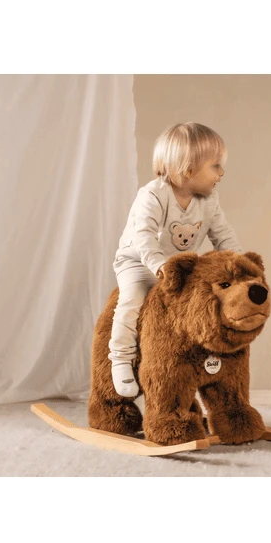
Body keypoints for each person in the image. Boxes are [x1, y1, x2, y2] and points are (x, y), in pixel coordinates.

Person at [109, 122, 241, 396]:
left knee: (203, 304)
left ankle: (195, 362)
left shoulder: (209, 200)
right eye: (216, 166)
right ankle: (120, 357)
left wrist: (239, 266)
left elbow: (223, 235)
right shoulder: (153, 195)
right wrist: (159, 265)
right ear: (189, 169)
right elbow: (143, 235)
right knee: (131, 300)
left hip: (180, 267)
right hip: (139, 262)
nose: (222, 173)